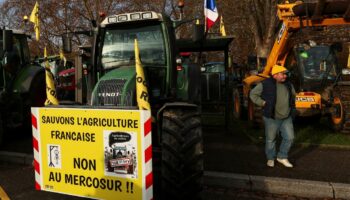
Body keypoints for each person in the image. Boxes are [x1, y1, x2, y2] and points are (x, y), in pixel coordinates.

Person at [249, 64, 296, 168]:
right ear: (275, 75)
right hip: (271, 117)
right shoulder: (265, 84)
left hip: (286, 117)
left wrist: (292, 108)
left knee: (290, 138)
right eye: (282, 74)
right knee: (271, 139)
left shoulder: (288, 84)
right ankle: (270, 158)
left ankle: (282, 157)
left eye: (285, 74)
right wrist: (262, 103)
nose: (285, 76)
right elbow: (253, 94)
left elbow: (293, 96)